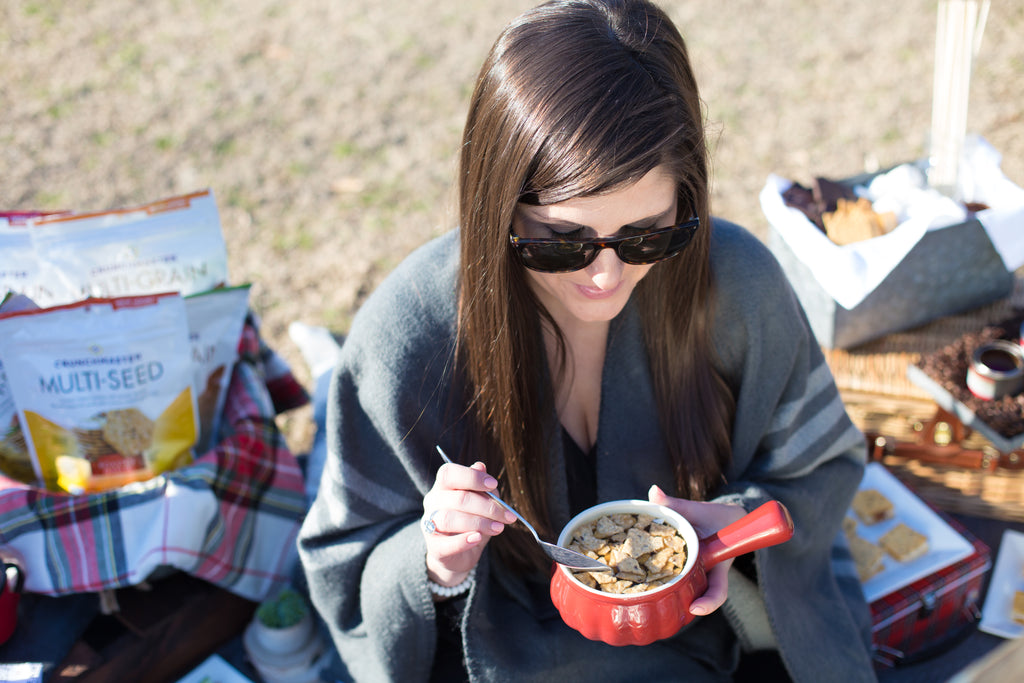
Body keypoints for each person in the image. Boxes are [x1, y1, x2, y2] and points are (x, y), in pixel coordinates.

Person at [298, 1, 876, 681]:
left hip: (705, 634)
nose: (606, 276)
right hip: (492, 650)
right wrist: (434, 560)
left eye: (646, 235)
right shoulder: (409, 337)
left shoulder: (737, 285)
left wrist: (731, 525)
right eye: (560, 242)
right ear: (495, 207)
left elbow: (821, 470)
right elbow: (345, 563)